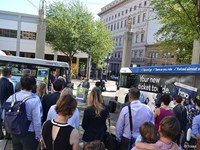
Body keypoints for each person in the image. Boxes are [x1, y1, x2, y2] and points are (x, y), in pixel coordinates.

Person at [6, 75, 42, 150]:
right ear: (33, 86)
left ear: (21, 84)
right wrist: (38, 136)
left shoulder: (12, 97)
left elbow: (5, 115)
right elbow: (37, 120)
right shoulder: (35, 99)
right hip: (29, 133)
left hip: (15, 131)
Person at [0, 67, 15, 139]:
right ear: (9, 74)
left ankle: (0, 134)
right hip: (6, 105)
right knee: (7, 120)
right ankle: (8, 135)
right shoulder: (10, 83)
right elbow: (11, 97)